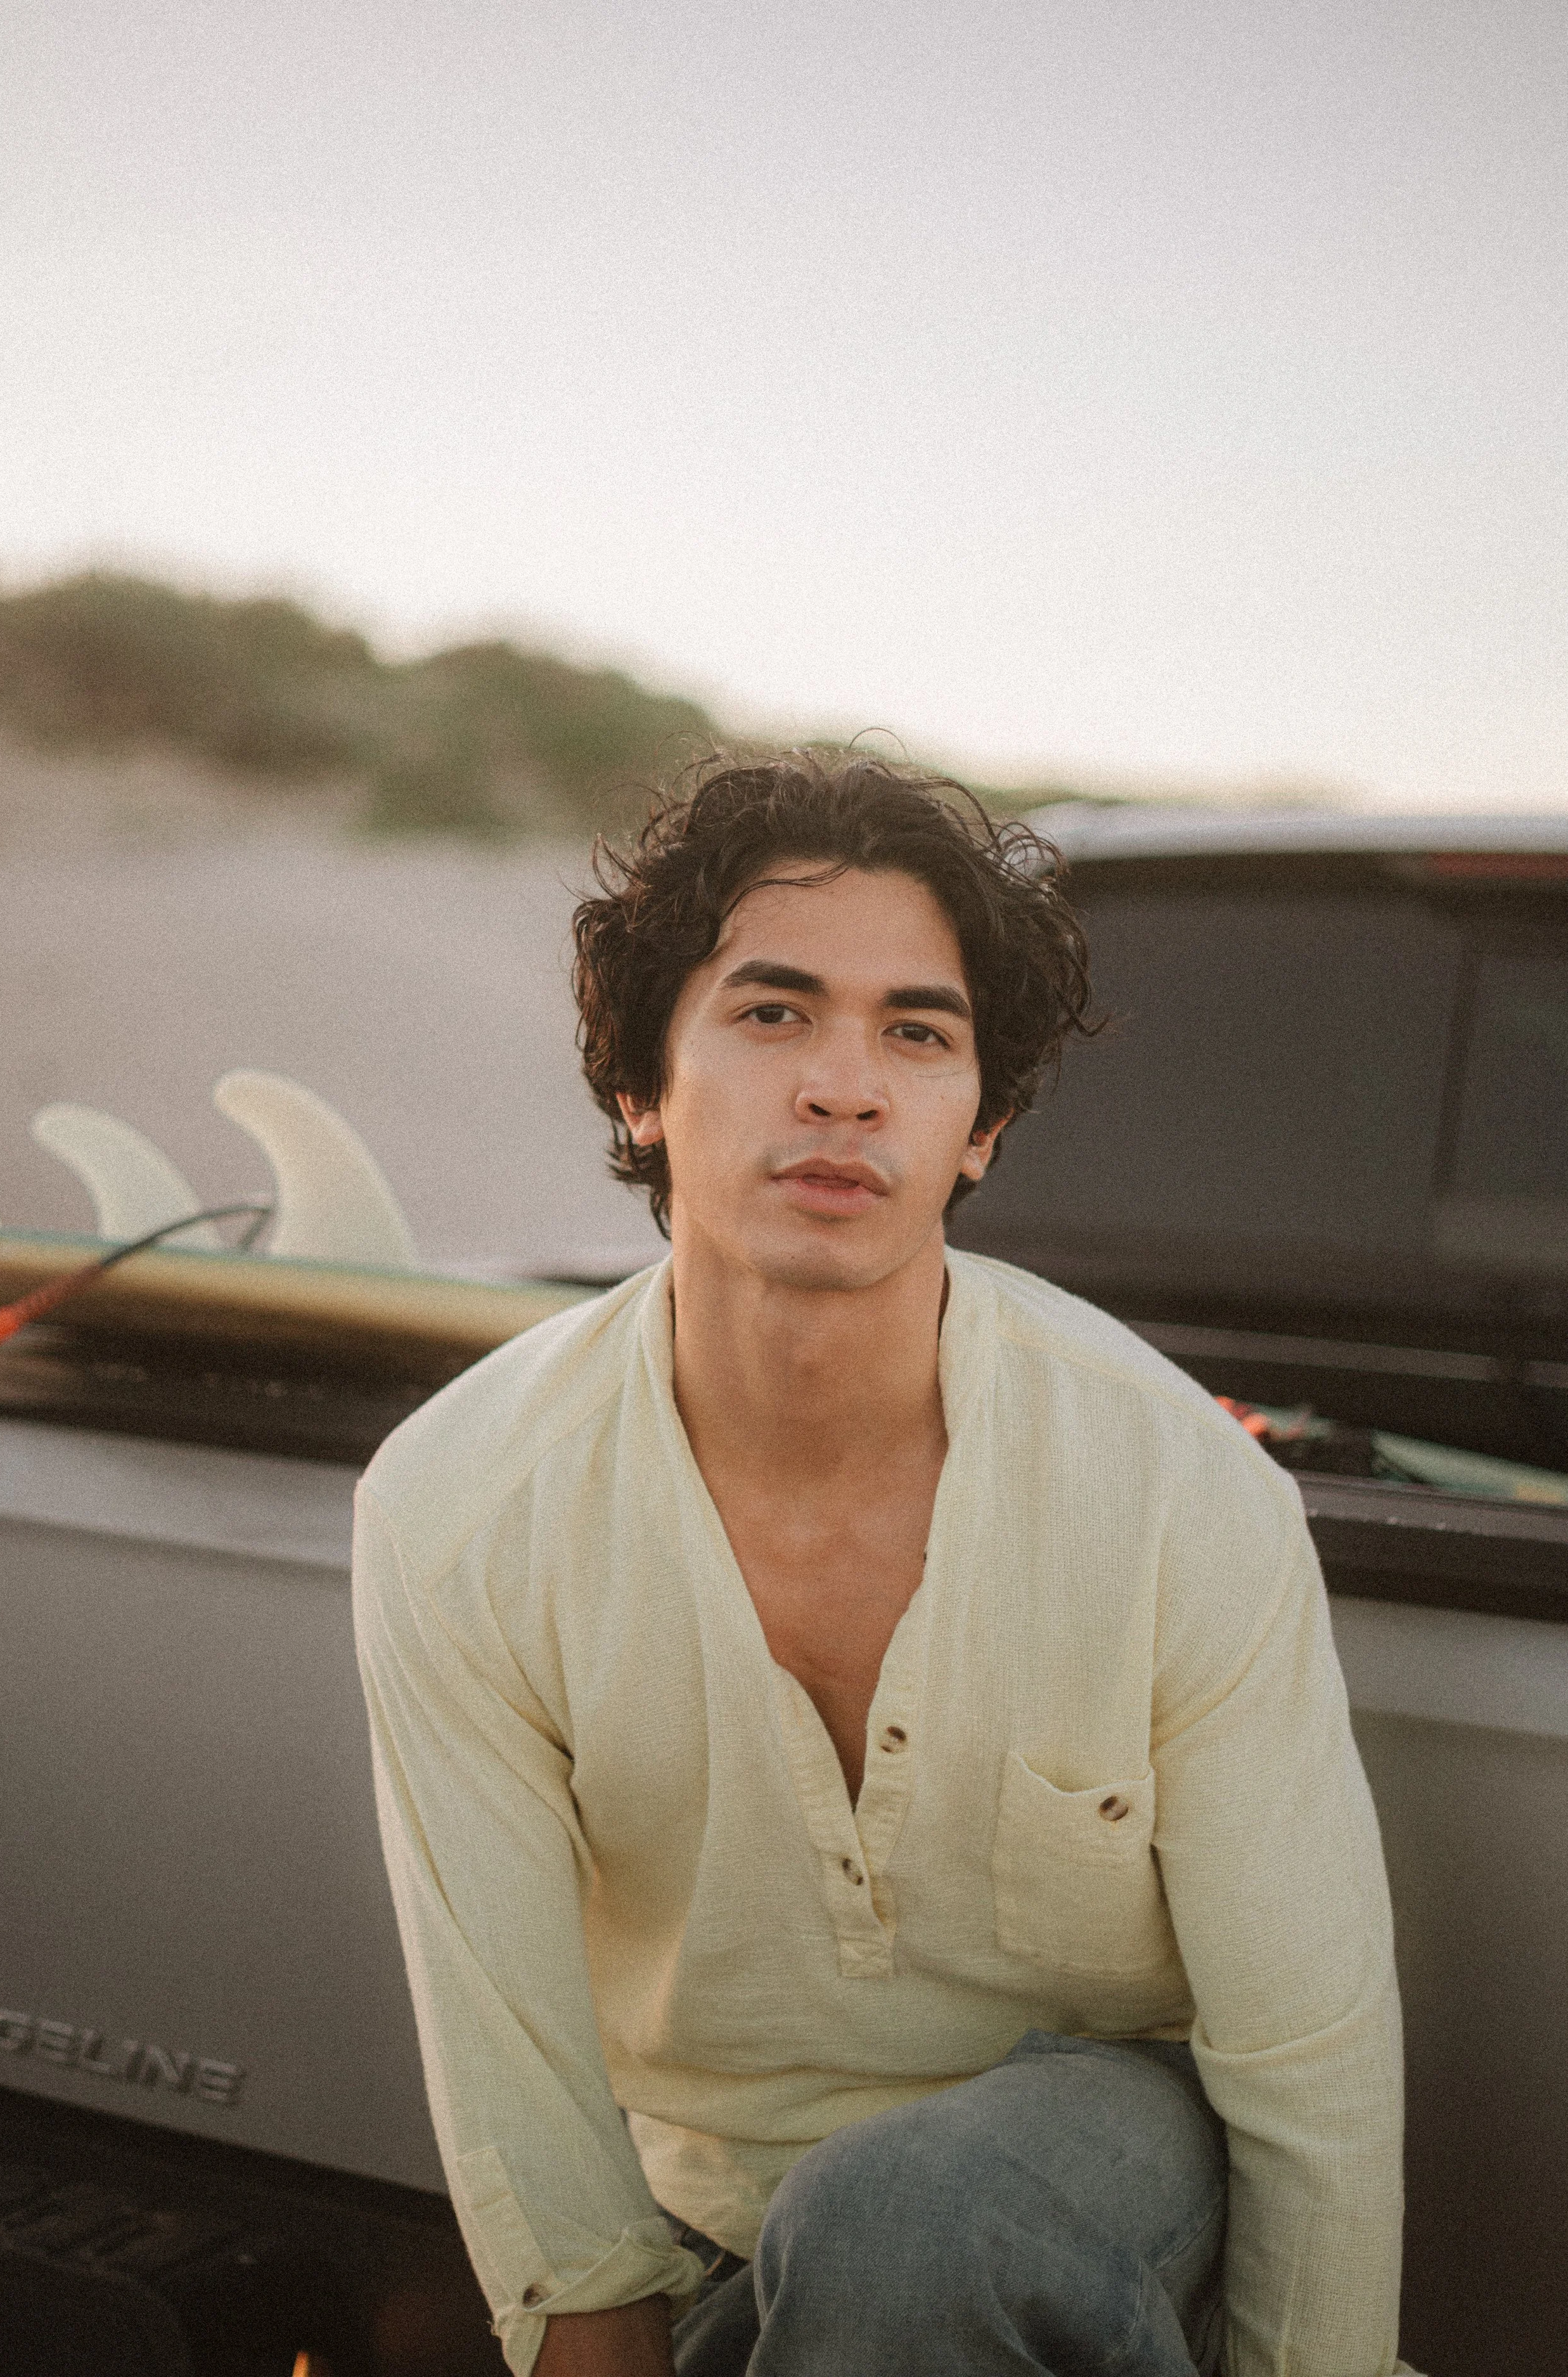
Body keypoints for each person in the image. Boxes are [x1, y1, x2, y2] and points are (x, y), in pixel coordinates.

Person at [353, 752, 1418, 2377]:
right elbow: (512, 2065)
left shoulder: (1171, 1488)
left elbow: (1307, 2048)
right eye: (773, 1014)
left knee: (908, 2223)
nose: (845, 1088)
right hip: (709, 2195)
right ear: (640, 1085)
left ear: (977, 1126)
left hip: (1111, 2148)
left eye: (915, 1034)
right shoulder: (460, 1503)